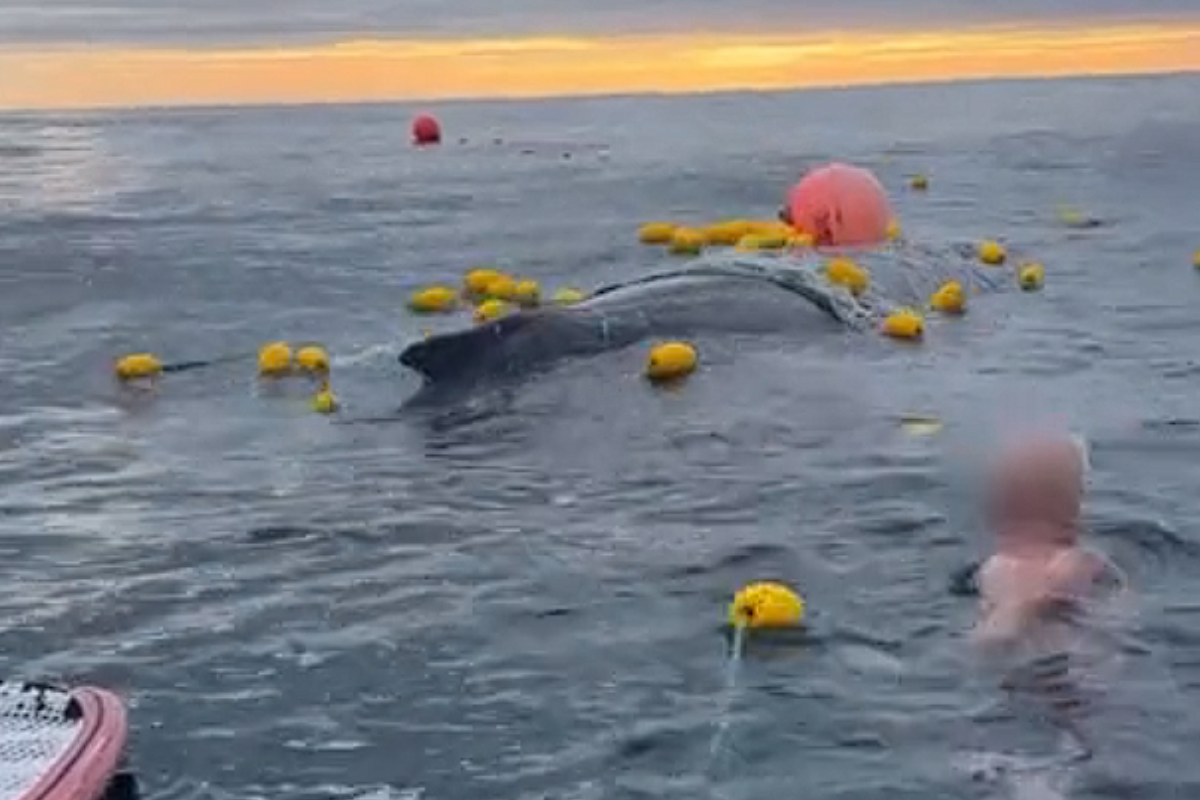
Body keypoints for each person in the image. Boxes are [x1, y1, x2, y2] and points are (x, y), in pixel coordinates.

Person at [969, 432, 1127, 760]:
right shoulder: (1079, 563)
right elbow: (1123, 618)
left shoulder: (995, 567)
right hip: (1068, 669)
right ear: (1073, 505)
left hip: (1010, 668)